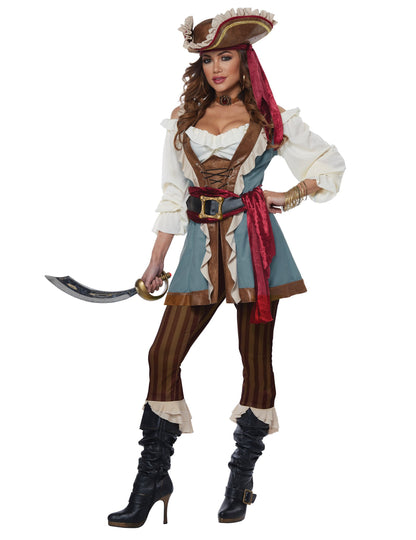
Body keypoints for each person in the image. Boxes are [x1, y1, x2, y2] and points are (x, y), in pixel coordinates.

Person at [107, 8, 346, 528]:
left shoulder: (271, 119)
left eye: (226, 57)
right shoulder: (183, 121)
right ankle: (152, 480)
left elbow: (329, 164)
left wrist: (293, 194)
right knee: (162, 355)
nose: (216, 68)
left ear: (245, 61)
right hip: (198, 249)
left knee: (254, 361)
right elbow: (173, 195)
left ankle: (241, 479)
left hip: (256, 246)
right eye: (208, 59)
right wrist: (155, 261)